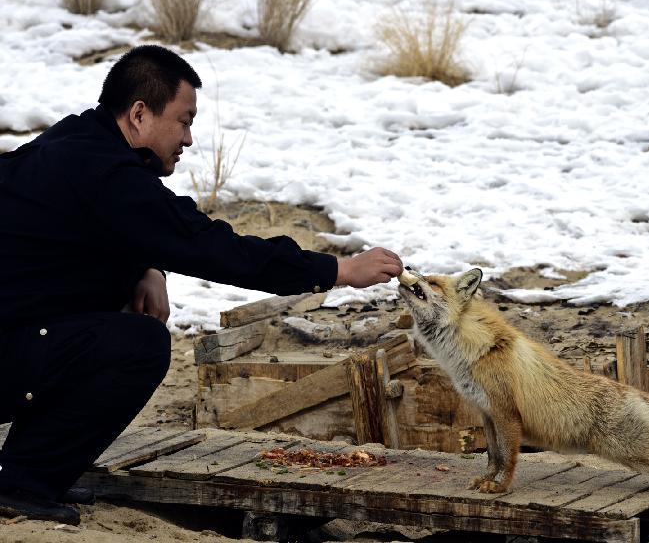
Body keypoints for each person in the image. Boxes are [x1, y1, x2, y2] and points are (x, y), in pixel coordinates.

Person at [0, 45, 403, 525]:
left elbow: (111, 230)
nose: (188, 138)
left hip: (18, 330)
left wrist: (148, 267)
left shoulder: (77, 142)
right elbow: (211, 247)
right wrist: (338, 271)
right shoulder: (109, 176)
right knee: (139, 343)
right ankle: (22, 480)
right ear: (139, 114)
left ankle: (30, 470)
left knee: (116, 315)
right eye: (184, 120)